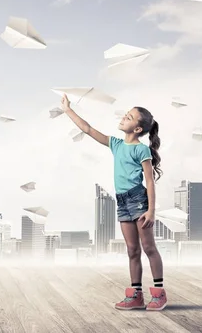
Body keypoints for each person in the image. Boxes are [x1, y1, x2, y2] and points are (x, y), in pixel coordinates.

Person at [60, 94, 167, 311]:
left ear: (137, 129)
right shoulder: (116, 144)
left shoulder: (141, 149)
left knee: (148, 247)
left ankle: (159, 293)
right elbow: (88, 129)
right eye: (126, 115)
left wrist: (151, 211)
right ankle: (136, 295)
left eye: (129, 117)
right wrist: (67, 110)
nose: (123, 118)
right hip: (122, 201)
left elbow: (149, 180)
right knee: (131, 250)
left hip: (138, 199)